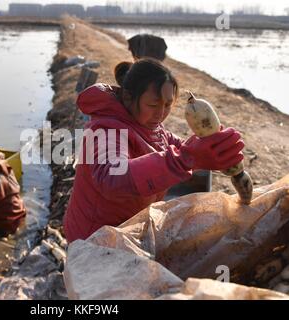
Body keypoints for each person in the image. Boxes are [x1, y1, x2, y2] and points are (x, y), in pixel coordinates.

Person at [63, 58, 244, 243]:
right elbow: (111, 176)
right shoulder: (105, 129)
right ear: (127, 97)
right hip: (93, 239)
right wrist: (187, 158)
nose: (160, 114)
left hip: (125, 229)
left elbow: (181, 148)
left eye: (168, 105)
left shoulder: (155, 129)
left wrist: (212, 149)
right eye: (153, 105)